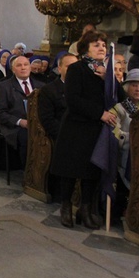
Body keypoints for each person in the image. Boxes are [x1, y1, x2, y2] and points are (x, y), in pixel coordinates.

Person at [51, 31, 117, 230]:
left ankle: (85, 209)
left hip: (97, 130)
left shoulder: (107, 71)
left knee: (91, 171)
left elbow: (119, 96)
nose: (101, 48)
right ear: (85, 48)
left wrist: (109, 78)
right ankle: (65, 207)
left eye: (103, 45)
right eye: (96, 45)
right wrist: (100, 113)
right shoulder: (77, 69)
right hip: (76, 127)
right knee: (71, 170)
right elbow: (73, 99)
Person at [0, 56, 42, 166]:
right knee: (27, 138)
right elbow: (0, 113)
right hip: (15, 126)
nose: (23, 68)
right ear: (13, 69)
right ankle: (29, 174)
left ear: (30, 67)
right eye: (19, 65)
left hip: (37, 124)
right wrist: (21, 121)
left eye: (26, 65)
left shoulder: (41, 86)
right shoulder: (4, 86)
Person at [38, 53, 78, 142]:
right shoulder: (48, 90)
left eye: (75, 66)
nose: (73, 70)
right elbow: (48, 120)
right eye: (68, 66)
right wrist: (67, 133)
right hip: (62, 136)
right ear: (59, 69)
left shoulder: (84, 88)